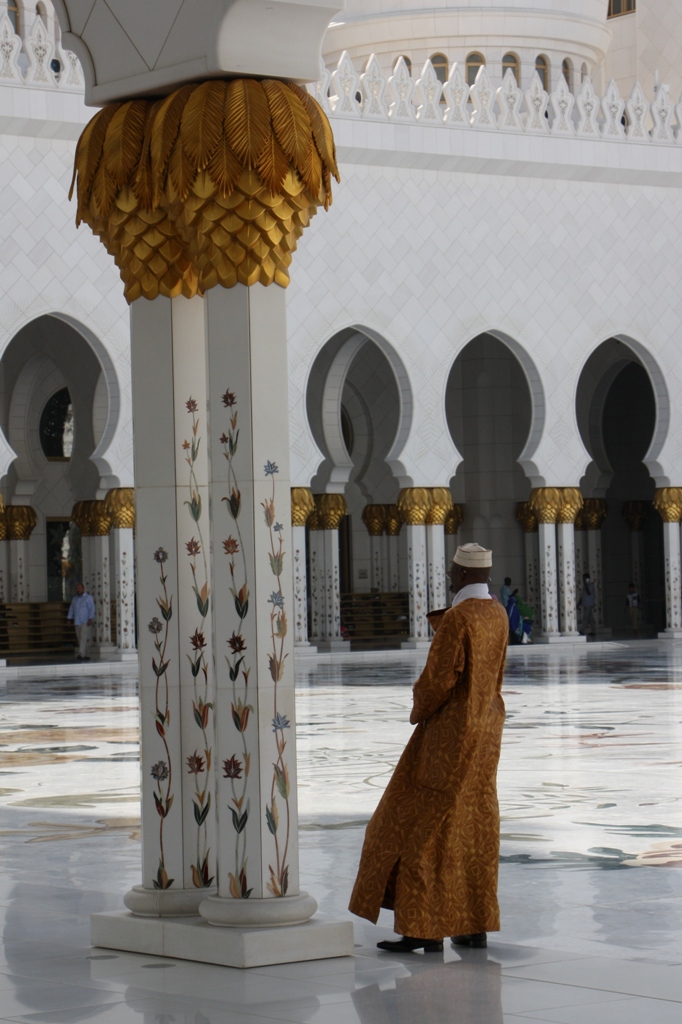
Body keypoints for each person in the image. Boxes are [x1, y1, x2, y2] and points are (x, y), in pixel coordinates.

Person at [349, 542, 509, 953]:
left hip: (448, 738)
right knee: (469, 825)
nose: (450, 576)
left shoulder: (458, 619)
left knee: (412, 825)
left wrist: (418, 706)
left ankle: (423, 927)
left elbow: (438, 682)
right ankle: (472, 925)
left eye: (453, 571)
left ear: (460, 574)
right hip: (486, 734)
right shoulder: (497, 613)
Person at [67, 582, 96, 661]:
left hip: (85, 621)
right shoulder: (75, 599)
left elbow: (92, 608)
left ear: (83, 589)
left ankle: (81, 654)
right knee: (81, 638)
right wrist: (69, 619)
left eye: (80, 588)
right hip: (77, 621)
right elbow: (71, 609)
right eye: (77, 589)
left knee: (83, 637)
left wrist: (90, 618)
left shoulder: (88, 598)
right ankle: (87, 654)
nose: (78, 590)